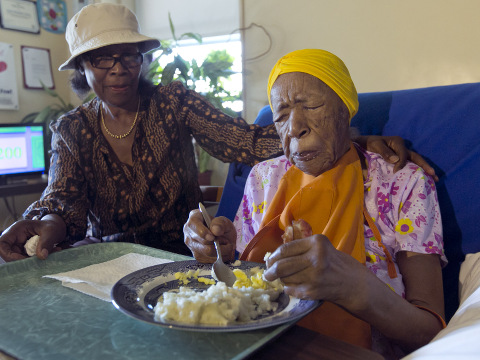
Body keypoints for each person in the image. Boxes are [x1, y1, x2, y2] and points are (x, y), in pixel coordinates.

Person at [0, 4, 434, 263]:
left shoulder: (173, 101)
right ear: (82, 69)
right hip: (106, 258)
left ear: (141, 60)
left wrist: (346, 138)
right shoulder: (72, 128)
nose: (118, 68)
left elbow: (246, 142)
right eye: (101, 60)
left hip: (182, 255)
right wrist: (46, 226)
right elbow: (64, 200)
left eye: (128, 56)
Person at [184, 49, 447, 358]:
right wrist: (220, 252)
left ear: (346, 112)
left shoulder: (402, 183)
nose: (295, 126)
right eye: (281, 115)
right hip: (258, 344)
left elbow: (429, 334)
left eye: (311, 105)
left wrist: (355, 288)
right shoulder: (263, 177)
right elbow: (243, 282)